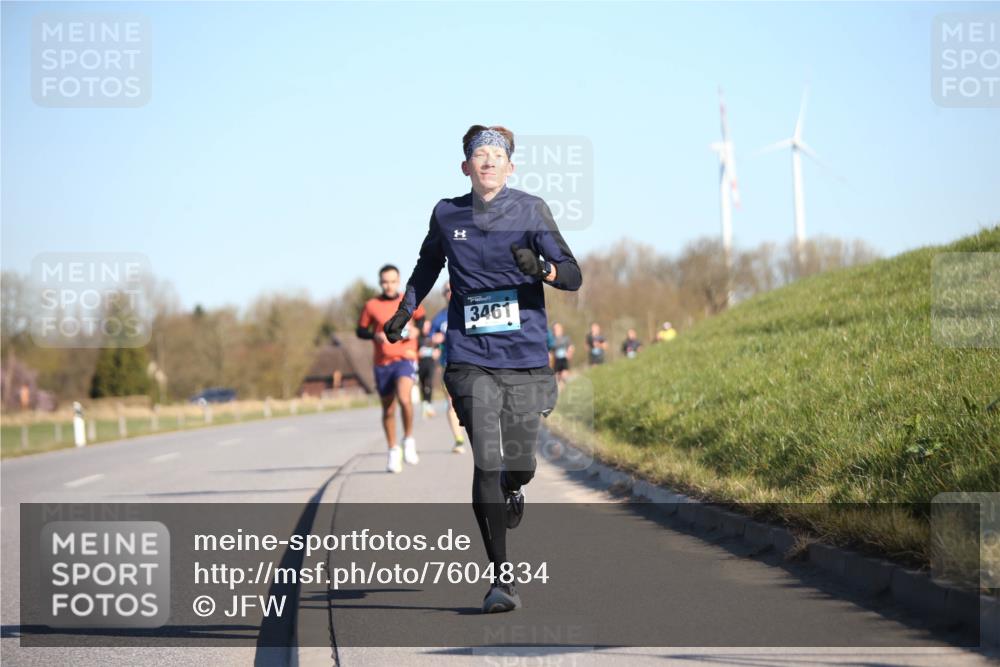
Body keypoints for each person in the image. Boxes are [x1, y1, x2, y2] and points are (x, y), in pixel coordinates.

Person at [383, 125, 581, 613]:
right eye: (479, 155)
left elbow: (573, 273)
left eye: (496, 155)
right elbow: (427, 266)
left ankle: (515, 487)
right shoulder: (447, 214)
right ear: (465, 167)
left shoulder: (531, 209)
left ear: (510, 168)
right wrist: (405, 311)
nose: (488, 161)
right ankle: (501, 579)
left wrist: (542, 269)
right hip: (470, 357)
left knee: (519, 465)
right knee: (486, 461)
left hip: (527, 358)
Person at [356, 263, 425, 473]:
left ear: (399, 281)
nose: (389, 285)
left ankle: (409, 440)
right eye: (385, 282)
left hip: (406, 357)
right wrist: (374, 335)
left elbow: (422, 320)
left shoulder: (408, 300)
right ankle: (393, 450)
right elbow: (360, 330)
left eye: (393, 281)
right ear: (380, 283)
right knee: (388, 408)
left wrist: (416, 331)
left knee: (405, 398)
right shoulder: (371, 305)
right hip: (382, 362)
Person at [430, 281, 466, 453]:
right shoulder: (439, 318)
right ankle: (458, 440)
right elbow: (431, 339)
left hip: (471, 362)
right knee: (451, 404)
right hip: (448, 364)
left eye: (452, 289)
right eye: (446, 291)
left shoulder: (469, 308)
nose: (449, 293)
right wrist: (434, 340)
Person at [417, 319, 438, 419]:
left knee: (429, 383)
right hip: (421, 365)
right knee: (422, 384)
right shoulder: (418, 338)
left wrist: (436, 352)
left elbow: (438, 351)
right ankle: (424, 404)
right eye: (425, 327)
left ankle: (429, 404)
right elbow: (417, 352)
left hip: (430, 364)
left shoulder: (433, 338)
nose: (427, 329)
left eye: (428, 327)